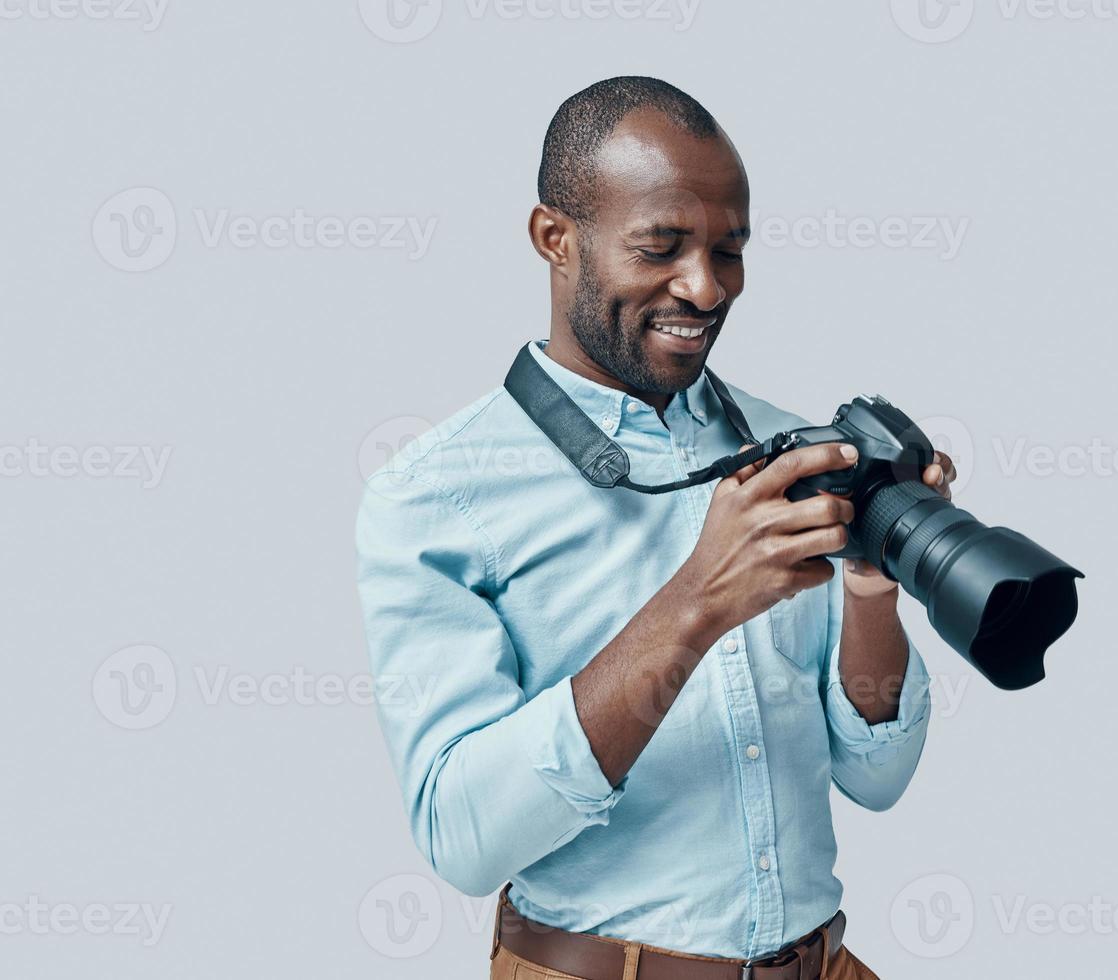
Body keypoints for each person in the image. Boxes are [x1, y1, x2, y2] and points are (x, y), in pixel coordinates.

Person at [355, 75, 956, 979]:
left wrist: (873, 590)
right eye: (661, 246)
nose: (706, 288)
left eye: (731, 250)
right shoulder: (437, 495)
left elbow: (876, 779)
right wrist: (695, 605)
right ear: (554, 240)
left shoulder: (784, 447)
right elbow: (463, 840)